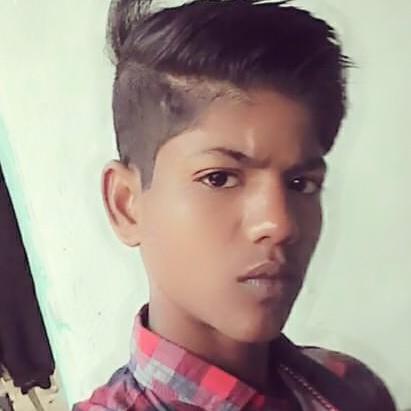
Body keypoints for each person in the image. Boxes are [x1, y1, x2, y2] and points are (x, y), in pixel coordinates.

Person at [73, 0, 397, 409]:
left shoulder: (349, 386)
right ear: (126, 204)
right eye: (219, 178)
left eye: (301, 184)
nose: (279, 223)